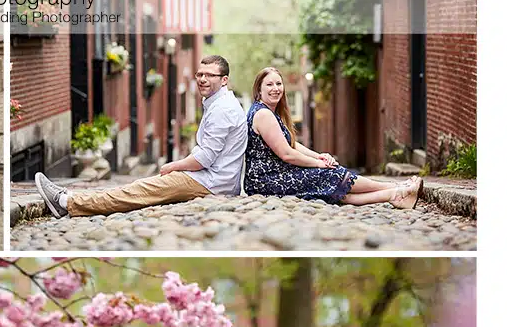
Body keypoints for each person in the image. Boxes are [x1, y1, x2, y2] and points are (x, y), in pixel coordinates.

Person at [33, 54, 247, 221]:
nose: (202, 79)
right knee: (141, 187)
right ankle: (72, 199)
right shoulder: (220, 103)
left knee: (140, 190)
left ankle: (65, 201)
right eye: (200, 74)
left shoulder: (222, 109)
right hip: (214, 179)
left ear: (224, 79)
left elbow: (204, 159)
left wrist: (174, 166)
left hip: (211, 182)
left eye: (209, 75)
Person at [245, 67, 422, 208]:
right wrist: (318, 164)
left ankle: (395, 195)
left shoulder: (270, 113)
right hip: (266, 181)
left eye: (278, 83)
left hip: (278, 174)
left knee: (333, 190)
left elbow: (292, 144)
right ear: (259, 90)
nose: (275, 89)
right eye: (269, 85)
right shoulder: (263, 114)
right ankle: (397, 187)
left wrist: (319, 156)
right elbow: (287, 154)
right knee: (329, 175)